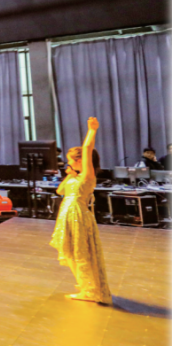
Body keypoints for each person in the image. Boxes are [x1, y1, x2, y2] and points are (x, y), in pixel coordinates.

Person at [50, 118, 112, 305]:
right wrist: (69, 175)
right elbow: (60, 191)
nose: (67, 163)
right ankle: (87, 286)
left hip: (77, 214)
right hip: (67, 214)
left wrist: (91, 131)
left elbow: (87, 149)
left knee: (80, 252)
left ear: (79, 161)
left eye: (70, 160)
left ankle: (90, 290)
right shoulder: (75, 177)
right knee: (70, 251)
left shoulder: (87, 176)